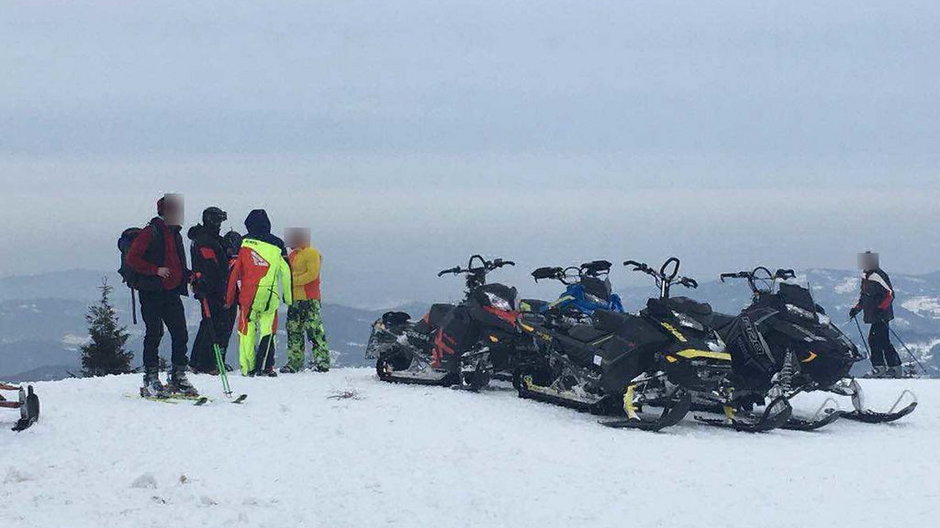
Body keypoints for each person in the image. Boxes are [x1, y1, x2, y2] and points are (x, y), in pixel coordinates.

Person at [126, 194, 196, 396]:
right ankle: (151, 377)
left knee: (180, 333)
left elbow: (178, 264)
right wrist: (155, 269)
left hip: (171, 291)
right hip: (151, 291)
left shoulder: (175, 234)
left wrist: (189, 275)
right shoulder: (151, 232)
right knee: (154, 333)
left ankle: (178, 375)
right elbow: (133, 259)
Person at [225, 210, 293, 377]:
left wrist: (228, 298)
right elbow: (286, 272)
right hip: (270, 295)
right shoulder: (278, 244)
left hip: (248, 295)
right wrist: (288, 297)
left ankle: (247, 368)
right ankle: (265, 366)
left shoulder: (242, 242)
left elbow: (234, 272)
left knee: (246, 330)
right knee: (268, 329)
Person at [188, 207, 236, 374]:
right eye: (219, 220)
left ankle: (196, 361)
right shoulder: (205, 240)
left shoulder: (210, 238)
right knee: (214, 324)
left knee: (209, 324)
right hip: (210, 288)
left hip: (210, 287)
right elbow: (212, 266)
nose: (220, 224)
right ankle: (206, 364)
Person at [281, 228, 330, 373]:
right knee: (293, 330)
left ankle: (322, 362)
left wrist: (292, 281)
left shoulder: (311, 253)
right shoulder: (292, 255)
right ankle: (294, 362)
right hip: (294, 299)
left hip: (309, 298)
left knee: (314, 330)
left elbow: (312, 274)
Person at [850, 251, 903, 378]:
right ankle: (892, 367)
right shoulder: (866, 276)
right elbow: (865, 296)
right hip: (875, 315)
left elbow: (890, 294)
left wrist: (881, 309)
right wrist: (856, 308)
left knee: (877, 340)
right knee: (880, 340)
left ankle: (884, 367)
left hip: (881, 315)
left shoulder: (878, 275)